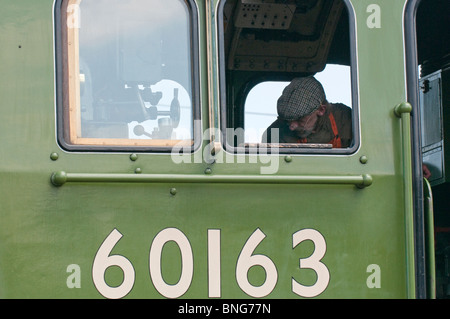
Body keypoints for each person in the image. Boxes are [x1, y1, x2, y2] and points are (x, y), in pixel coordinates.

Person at [262, 76, 352, 148]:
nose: (292, 127)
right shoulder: (274, 134)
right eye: (287, 121)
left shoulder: (345, 119)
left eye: (299, 119)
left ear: (321, 110)